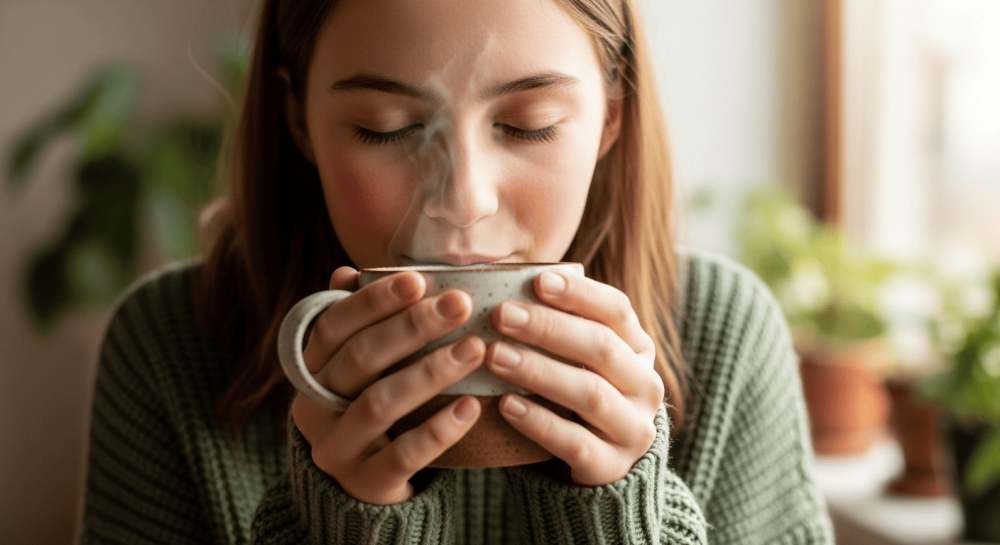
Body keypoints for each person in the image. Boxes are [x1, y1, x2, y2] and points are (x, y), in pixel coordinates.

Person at [80, 0, 835, 543]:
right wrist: (341, 527)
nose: (464, 202)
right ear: (299, 120)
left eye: (530, 125)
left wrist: (621, 522)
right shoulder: (169, 346)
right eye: (387, 128)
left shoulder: (724, 339)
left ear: (611, 114)